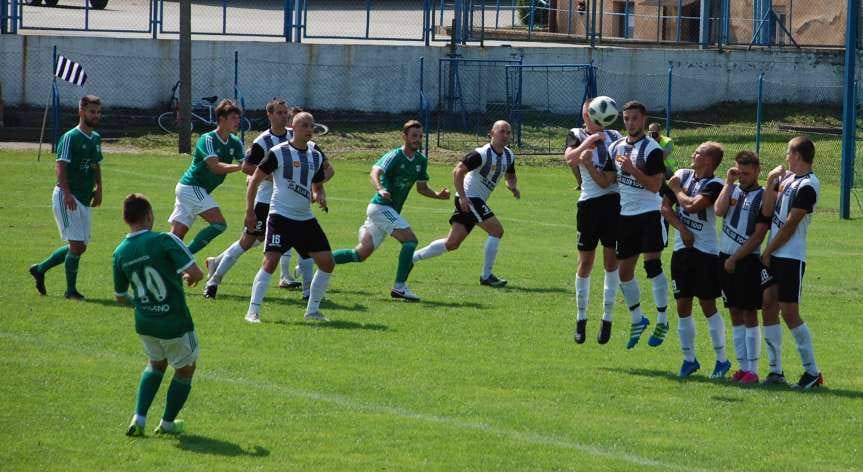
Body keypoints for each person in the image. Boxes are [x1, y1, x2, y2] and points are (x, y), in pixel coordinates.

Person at [112, 194, 204, 436]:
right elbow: (195, 274)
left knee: (155, 364)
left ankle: (138, 419)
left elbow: (120, 297)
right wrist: (185, 277)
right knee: (186, 369)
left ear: (126, 219)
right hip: (175, 322)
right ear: (149, 215)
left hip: (145, 324)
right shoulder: (164, 240)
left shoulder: (119, 252)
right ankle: (167, 423)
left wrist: (143, 304)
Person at [202, 100, 313, 299]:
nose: (283, 116)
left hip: (288, 203)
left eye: (285, 113)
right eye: (278, 113)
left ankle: (308, 294)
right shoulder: (263, 141)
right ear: (269, 115)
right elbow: (247, 167)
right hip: (265, 201)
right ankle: (214, 281)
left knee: (303, 243)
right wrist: (269, 175)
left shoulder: (292, 136)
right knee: (247, 241)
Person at [332, 120, 450, 301]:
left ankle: (311, 261)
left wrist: (438, 195)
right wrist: (380, 188)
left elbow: (422, 189)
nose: (417, 140)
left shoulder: (420, 161)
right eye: (413, 136)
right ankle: (399, 287)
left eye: (420, 136)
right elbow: (375, 171)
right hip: (380, 207)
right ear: (404, 137)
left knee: (360, 254)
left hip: (388, 211)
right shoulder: (395, 155)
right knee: (410, 241)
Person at [245, 112, 335, 323]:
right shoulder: (278, 152)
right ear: (293, 128)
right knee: (270, 262)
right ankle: (253, 311)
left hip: (305, 219)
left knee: (327, 263)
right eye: (304, 125)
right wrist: (249, 211)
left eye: (311, 126)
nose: (308, 129)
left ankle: (312, 310)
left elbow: (317, 184)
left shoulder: (315, 155)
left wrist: (319, 195)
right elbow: (254, 181)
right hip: (280, 217)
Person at [412, 120, 521, 287]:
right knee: (497, 231)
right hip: (470, 198)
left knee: (452, 243)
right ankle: (486, 276)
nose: (506, 135)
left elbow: (510, 176)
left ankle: (412, 257)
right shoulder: (481, 154)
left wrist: (512, 187)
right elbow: (458, 171)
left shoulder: (509, 155)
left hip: (473, 200)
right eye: (502, 131)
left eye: (508, 132)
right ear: (492, 133)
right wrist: (463, 197)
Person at [760, 136, 823, 389]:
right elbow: (767, 211)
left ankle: (812, 372)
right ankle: (775, 371)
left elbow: (790, 224)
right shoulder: (786, 180)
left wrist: (768, 251)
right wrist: (769, 181)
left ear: (797, 155)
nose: (787, 156)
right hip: (775, 255)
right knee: (767, 305)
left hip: (790, 256)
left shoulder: (809, 185)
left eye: (789, 152)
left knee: (789, 312)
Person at [662, 142, 730, 378]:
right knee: (682, 305)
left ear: (708, 161)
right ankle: (689, 359)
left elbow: (692, 206)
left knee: (708, 305)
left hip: (706, 253)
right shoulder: (682, 175)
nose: (693, 154)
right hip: (682, 250)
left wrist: (677, 189)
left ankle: (722, 360)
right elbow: (665, 208)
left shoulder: (716, 184)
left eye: (698, 152)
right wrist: (683, 230)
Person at [608, 101, 669, 350]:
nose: (630, 123)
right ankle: (637, 319)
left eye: (634, 118)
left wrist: (632, 169)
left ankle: (663, 319)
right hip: (626, 216)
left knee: (652, 265)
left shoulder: (652, 149)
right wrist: (586, 163)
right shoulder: (615, 147)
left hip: (650, 214)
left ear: (643, 119)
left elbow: (655, 186)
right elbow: (608, 178)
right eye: (626, 119)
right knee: (623, 273)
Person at [30, 95, 104, 300]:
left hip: (84, 197)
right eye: (91, 111)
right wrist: (67, 193)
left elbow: (96, 164)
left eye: (98, 112)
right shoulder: (71, 137)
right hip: (66, 196)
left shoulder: (96, 138)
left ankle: (41, 269)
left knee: (80, 246)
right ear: (81, 112)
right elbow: (60, 166)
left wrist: (99, 189)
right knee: (76, 246)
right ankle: (70, 291)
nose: (95, 115)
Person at [564, 101, 622, 344]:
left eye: (593, 113)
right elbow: (570, 159)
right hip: (589, 205)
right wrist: (590, 141)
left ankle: (607, 318)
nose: (589, 116)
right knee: (585, 262)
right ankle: (581, 318)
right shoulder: (576, 135)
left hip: (614, 204)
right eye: (586, 112)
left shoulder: (615, 135)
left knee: (611, 262)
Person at [714, 150, 773, 385]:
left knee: (749, 313)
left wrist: (735, 258)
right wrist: (728, 183)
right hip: (724, 257)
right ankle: (741, 366)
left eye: (747, 173)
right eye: (739, 172)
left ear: (758, 171)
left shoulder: (764, 196)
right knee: (734, 312)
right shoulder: (733, 189)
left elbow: (758, 235)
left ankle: (753, 369)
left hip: (746, 261)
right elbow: (719, 211)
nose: (742, 177)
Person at [169, 99, 245, 254]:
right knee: (219, 224)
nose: (237, 121)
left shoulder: (235, 142)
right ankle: (185, 258)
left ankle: (160, 263)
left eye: (238, 118)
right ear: (221, 120)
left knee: (175, 238)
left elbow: (248, 166)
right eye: (233, 118)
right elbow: (215, 167)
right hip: (191, 187)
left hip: (194, 190)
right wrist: (240, 167)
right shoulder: (207, 139)